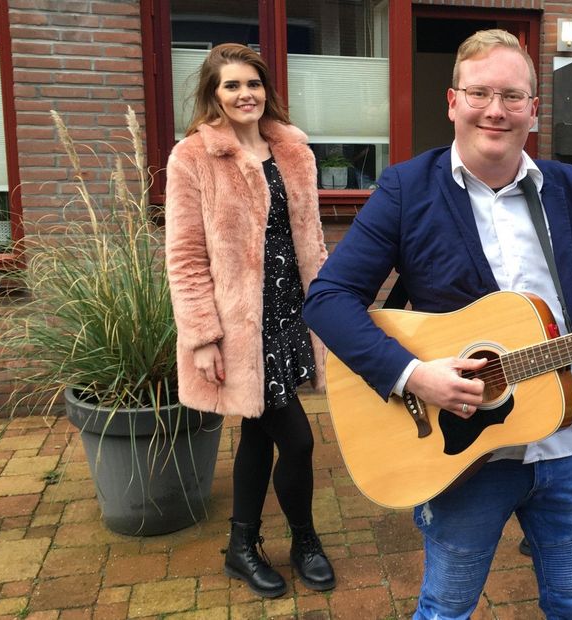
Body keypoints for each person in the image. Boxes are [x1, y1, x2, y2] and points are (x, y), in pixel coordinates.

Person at [304, 30, 572, 619]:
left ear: (533, 110)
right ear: (452, 101)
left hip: (568, 445)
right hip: (463, 451)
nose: (496, 110)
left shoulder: (570, 188)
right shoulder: (407, 189)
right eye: (480, 93)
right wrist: (412, 374)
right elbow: (329, 298)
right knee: (446, 609)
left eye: (513, 96)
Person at [164, 43, 335, 599]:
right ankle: (304, 540)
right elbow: (185, 258)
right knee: (300, 441)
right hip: (240, 326)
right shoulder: (192, 158)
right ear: (214, 95)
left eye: (253, 84)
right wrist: (202, 337)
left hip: (292, 313)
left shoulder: (294, 151)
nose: (246, 95)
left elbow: (310, 238)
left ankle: (242, 546)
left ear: (267, 90)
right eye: (232, 86)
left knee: (259, 430)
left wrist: (331, 305)